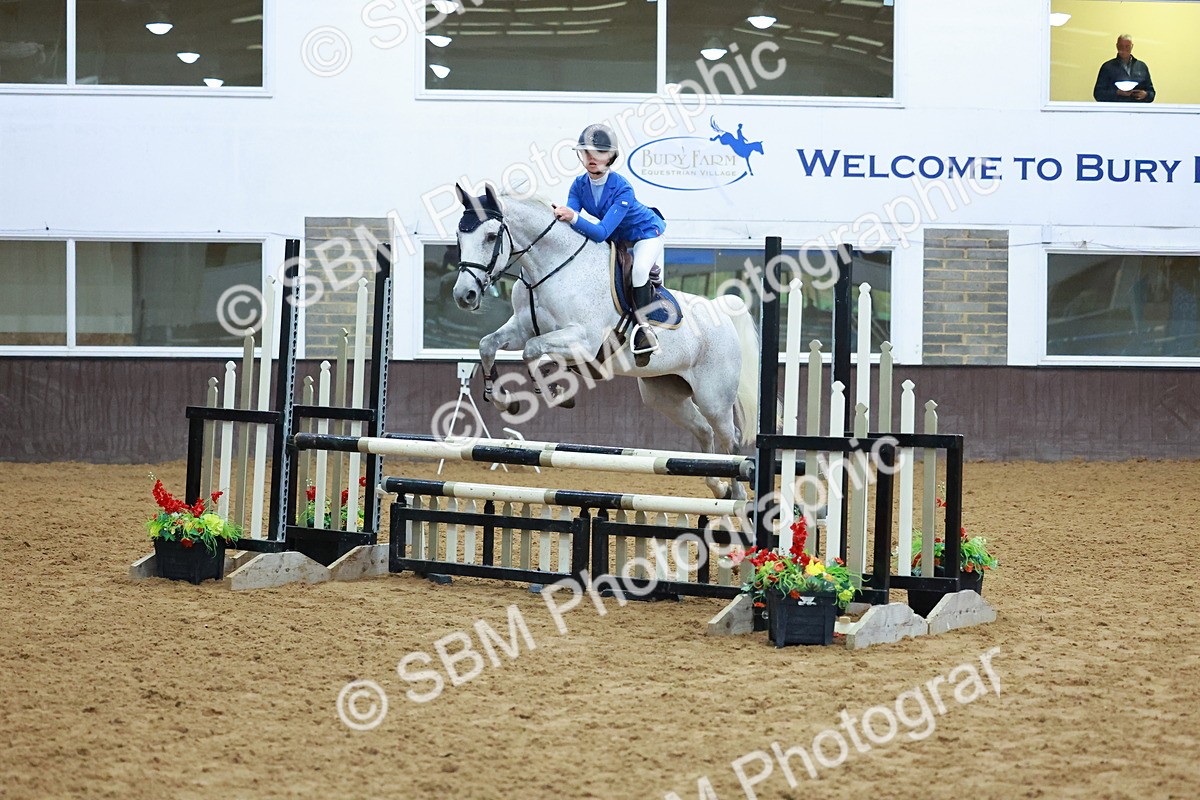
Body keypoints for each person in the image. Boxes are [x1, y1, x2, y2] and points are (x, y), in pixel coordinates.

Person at [553, 123, 667, 359]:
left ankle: (644, 329)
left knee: (640, 271)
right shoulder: (579, 185)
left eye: (599, 153)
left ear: (611, 156)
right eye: (586, 152)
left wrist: (572, 216)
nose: (591, 158)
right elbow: (571, 224)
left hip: (646, 234)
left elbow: (600, 232)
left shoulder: (623, 188)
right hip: (619, 238)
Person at [1093, 34, 1154, 103]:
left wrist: (1146, 95)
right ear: (1116, 46)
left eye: (1127, 46)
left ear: (1132, 46)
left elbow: (1152, 93)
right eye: (1121, 46)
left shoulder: (1142, 67)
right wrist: (1117, 93)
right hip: (1115, 109)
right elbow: (1098, 94)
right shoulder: (1107, 67)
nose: (1124, 49)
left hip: (1137, 109)